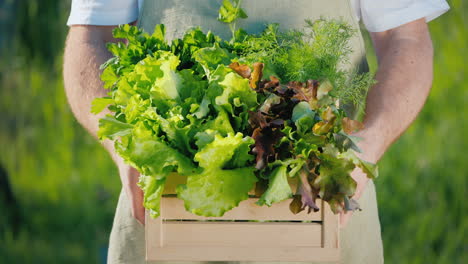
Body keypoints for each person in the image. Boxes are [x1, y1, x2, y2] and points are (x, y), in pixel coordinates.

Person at [63, 0, 449, 263]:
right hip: (166, 204)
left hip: (324, 200)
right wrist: (123, 146)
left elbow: (406, 38)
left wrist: (366, 145)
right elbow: (92, 36)